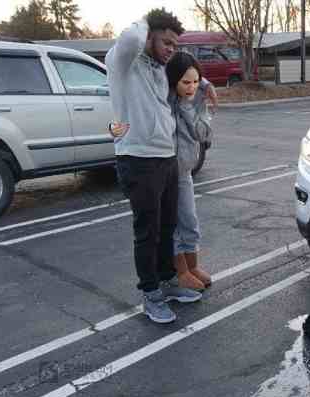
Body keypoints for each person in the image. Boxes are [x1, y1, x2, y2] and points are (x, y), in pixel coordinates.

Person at [106, 9, 211, 324]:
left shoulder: (159, 68)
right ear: (148, 35)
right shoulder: (123, 64)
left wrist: (204, 84)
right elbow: (128, 40)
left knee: (168, 228)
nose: (170, 49)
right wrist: (147, 22)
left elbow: (185, 74)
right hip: (138, 160)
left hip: (166, 159)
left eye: (175, 44)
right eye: (165, 42)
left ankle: (167, 280)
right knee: (147, 232)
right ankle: (150, 295)